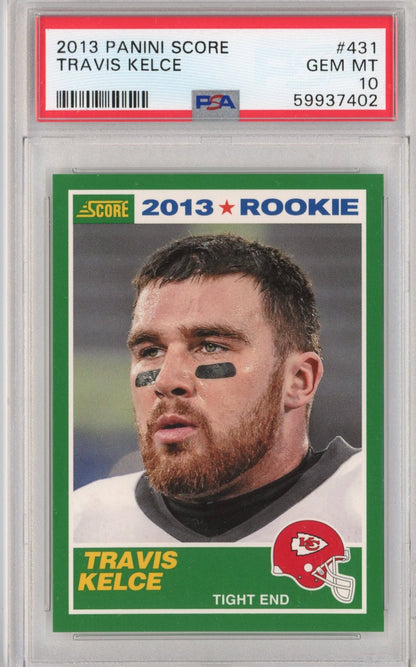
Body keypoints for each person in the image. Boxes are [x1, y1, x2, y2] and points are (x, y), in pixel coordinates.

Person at [74, 234, 362, 543]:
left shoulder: (379, 506)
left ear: (299, 380)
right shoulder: (79, 526)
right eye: (150, 351)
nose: (166, 381)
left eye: (210, 346)